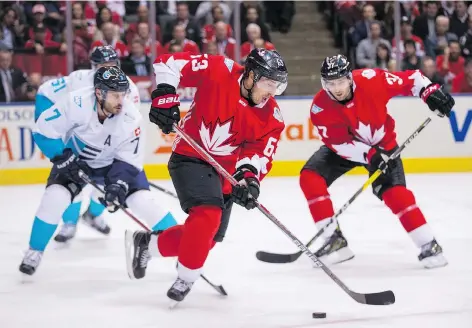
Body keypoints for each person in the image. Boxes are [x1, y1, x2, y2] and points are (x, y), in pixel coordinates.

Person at [124, 49, 288, 304]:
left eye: (276, 86)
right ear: (251, 75)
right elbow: (170, 62)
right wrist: (165, 93)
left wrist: (248, 179)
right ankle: (186, 277)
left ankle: (148, 244)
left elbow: (258, 154)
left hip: (226, 173)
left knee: (208, 238)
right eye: (268, 84)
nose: (271, 92)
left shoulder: (272, 118)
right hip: (190, 154)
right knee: (208, 215)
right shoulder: (219, 69)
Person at [299, 54, 454, 269]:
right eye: (330, 83)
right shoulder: (320, 107)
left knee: (395, 194)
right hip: (347, 148)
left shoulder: (372, 80)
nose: (337, 88)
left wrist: (430, 92)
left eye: (341, 81)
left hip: (383, 144)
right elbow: (339, 144)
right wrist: (370, 156)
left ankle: (429, 245)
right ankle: (333, 241)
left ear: (350, 78)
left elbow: (413, 79)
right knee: (310, 177)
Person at [19, 66, 177, 275]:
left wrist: (117, 185)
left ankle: (182, 250)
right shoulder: (75, 103)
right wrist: (63, 158)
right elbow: (43, 131)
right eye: (114, 95)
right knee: (54, 198)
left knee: (144, 203)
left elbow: (129, 161)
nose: (121, 101)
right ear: (99, 93)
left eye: (123, 94)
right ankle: (34, 251)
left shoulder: (131, 117)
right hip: (76, 160)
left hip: (114, 165)